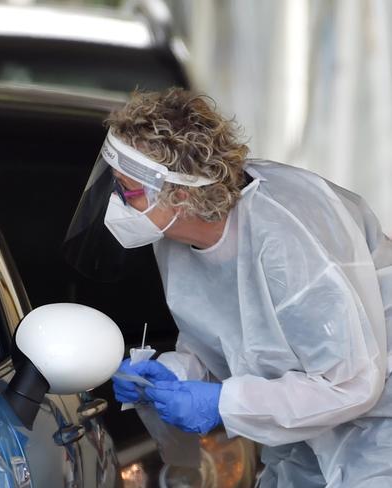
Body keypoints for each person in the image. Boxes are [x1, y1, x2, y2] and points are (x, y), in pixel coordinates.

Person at [63, 88, 392, 487]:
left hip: (378, 435)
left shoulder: (287, 237)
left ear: (180, 194)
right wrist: (176, 372)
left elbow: (351, 384)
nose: (116, 203)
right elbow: (236, 342)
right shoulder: (176, 235)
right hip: (304, 442)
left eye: (127, 191)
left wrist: (224, 403)